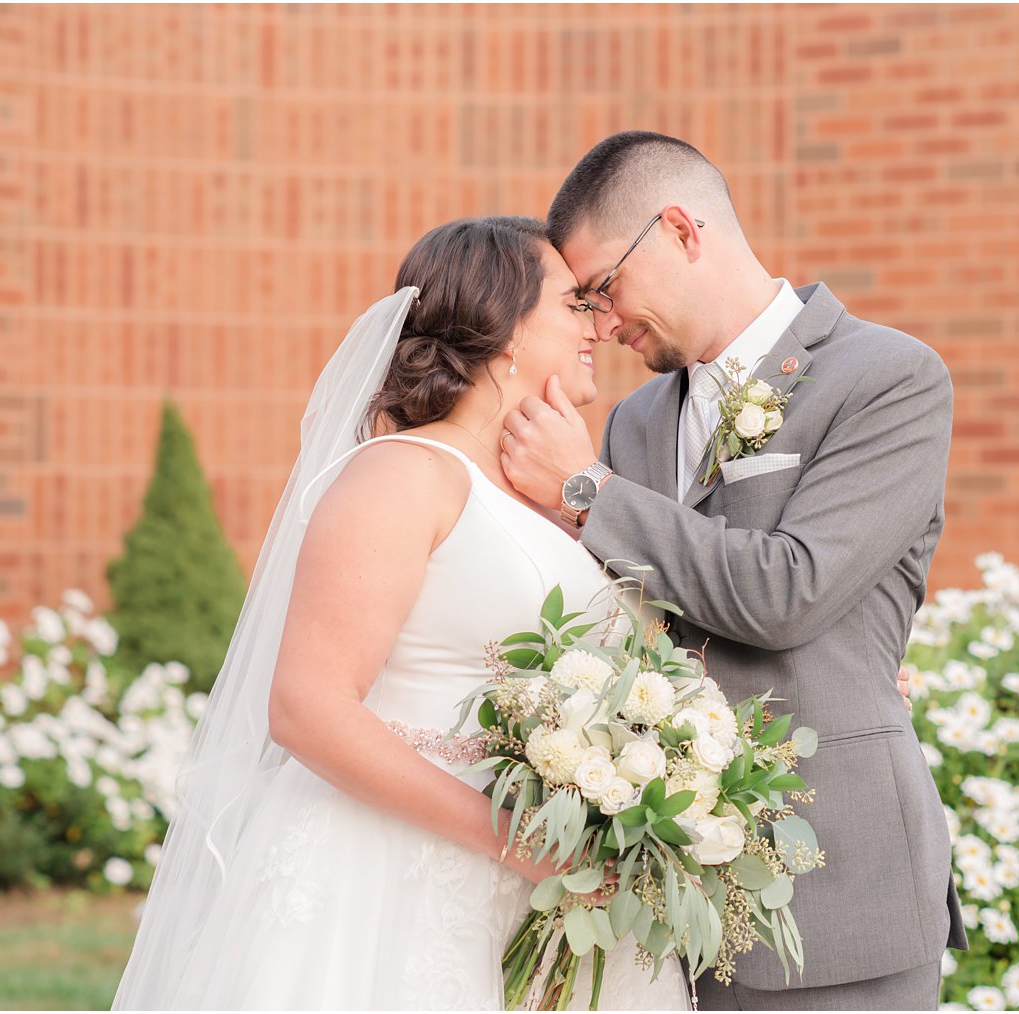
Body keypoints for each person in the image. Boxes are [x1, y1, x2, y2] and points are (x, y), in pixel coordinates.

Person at [112, 216, 689, 1010]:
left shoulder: (542, 498)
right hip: (390, 877)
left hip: (534, 886)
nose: (600, 324)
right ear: (506, 328)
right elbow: (307, 707)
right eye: (573, 305)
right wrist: (515, 841)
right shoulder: (404, 475)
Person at [499, 131, 970, 1011]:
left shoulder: (888, 378)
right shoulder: (635, 422)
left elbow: (788, 591)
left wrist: (586, 491)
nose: (605, 323)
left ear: (680, 228)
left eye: (605, 287)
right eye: (586, 303)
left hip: (835, 879)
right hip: (661, 891)